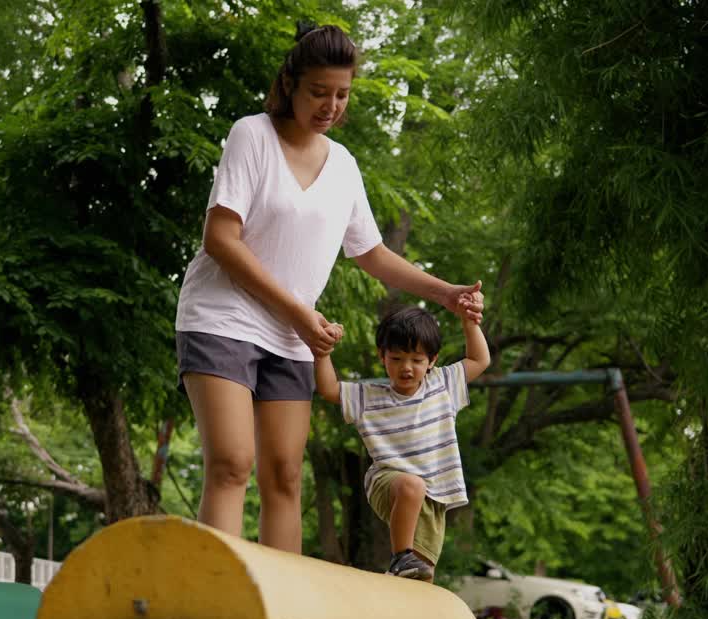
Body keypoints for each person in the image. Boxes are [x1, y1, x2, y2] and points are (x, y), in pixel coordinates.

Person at [174, 22, 484, 553]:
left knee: (285, 477)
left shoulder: (343, 165)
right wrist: (297, 311)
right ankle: (214, 604)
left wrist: (444, 292)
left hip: (294, 335)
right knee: (231, 463)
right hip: (221, 318)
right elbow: (221, 239)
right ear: (291, 84)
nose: (330, 106)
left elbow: (372, 253)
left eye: (342, 94)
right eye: (319, 92)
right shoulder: (252, 135)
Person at [313, 305, 491, 580]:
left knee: (422, 573)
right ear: (382, 357)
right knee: (411, 485)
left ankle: (402, 583)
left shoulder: (442, 385)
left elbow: (479, 360)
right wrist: (322, 353)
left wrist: (469, 322)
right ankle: (399, 556)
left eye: (416, 360)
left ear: (432, 360)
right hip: (388, 481)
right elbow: (329, 389)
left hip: (435, 494)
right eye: (396, 358)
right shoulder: (369, 397)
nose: (406, 368)